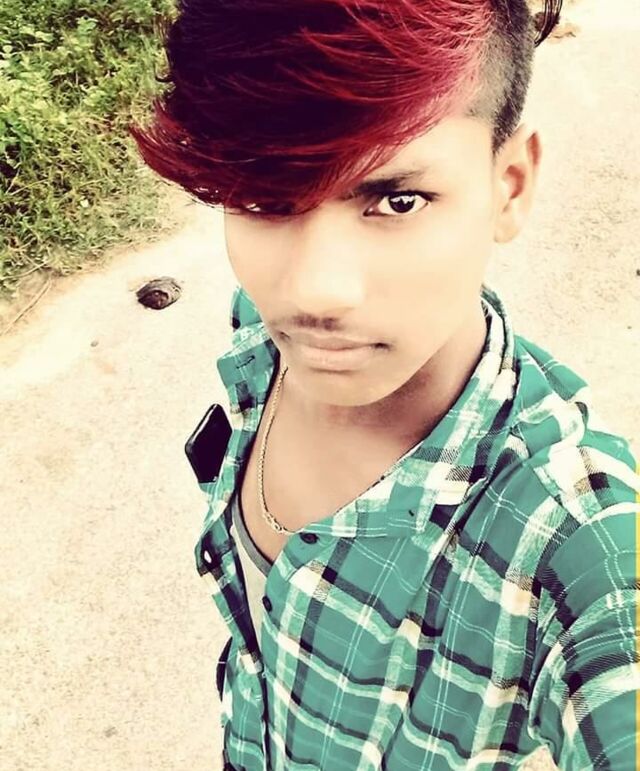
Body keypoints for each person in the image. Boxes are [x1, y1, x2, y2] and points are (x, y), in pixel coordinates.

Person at [130, 1, 640, 768]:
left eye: (397, 200)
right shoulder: (259, 334)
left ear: (509, 186)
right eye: (265, 197)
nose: (314, 291)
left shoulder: (577, 544)